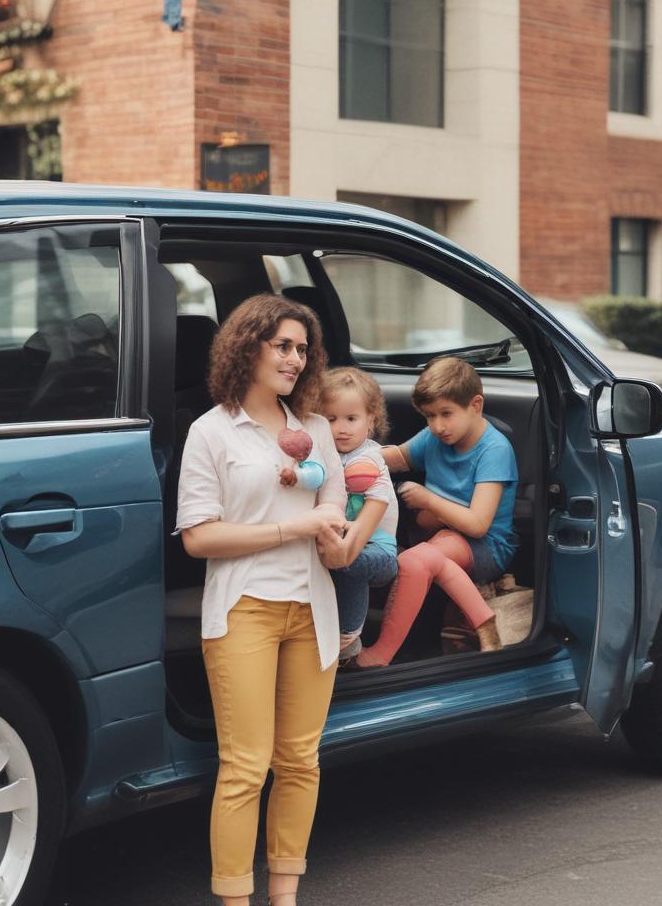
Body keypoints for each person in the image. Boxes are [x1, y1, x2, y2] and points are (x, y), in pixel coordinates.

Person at [176, 293, 347, 906]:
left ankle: (284, 897)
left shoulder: (317, 429)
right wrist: (292, 528)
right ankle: (234, 900)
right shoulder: (212, 431)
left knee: (301, 760)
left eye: (303, 349)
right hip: (244, 607)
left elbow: (333, 501)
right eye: (283, 346)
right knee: (245, 767)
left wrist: (336, 528)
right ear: (247, 346)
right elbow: (198, 536)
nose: (296, 359)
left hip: (312, 609)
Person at [357, 356, 518, 668]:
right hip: (443, 537)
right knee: (422, 556)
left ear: (475, 405)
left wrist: (428, 500)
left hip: (486, 548)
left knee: (414, 560)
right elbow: (395, 458)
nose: (437, 426)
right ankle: (484, 621)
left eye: (446, 414)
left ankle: (381, 654)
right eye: (429, 416)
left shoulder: (494, 450)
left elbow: (478, 524)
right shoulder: (434, 437)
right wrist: (345, 455)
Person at [319, 366, 399, 665]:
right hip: (342, 541)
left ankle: (348, 637)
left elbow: (374, 507)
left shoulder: (370, 459)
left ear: (370, 422)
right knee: (331, 558)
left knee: (347, 560)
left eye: (351, 419)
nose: (341, 428)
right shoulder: (325, 455)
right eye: (331, 419)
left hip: (379, 552)